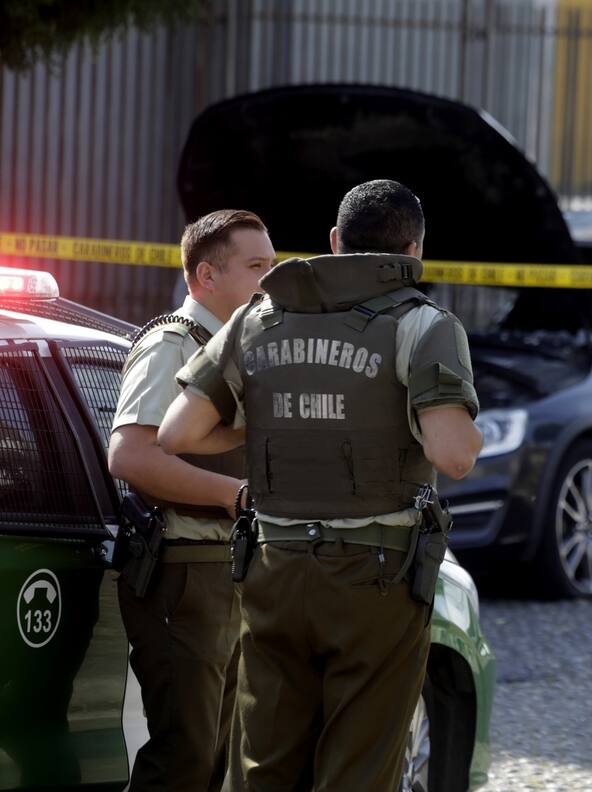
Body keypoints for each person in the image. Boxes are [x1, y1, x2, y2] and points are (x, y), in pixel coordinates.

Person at [157, 179, 482, 790]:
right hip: (375, 578)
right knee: (358, 766)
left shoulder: (258, 316)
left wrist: (269, 426)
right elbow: (454, 456)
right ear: (414, 250)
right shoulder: (423, 324)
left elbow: (177, 433)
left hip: (274, 567)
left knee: (266, 765)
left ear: (335, 241)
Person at [108, 209, 275, 791]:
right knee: (186, 760)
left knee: (215, 762)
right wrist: (235, 496)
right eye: (257, 267)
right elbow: (131, 457)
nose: (269, 280)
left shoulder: (237, 348)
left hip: (224, 570)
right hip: (184, 569)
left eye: (272, 265)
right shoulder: (172, 344)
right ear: (206, 275)